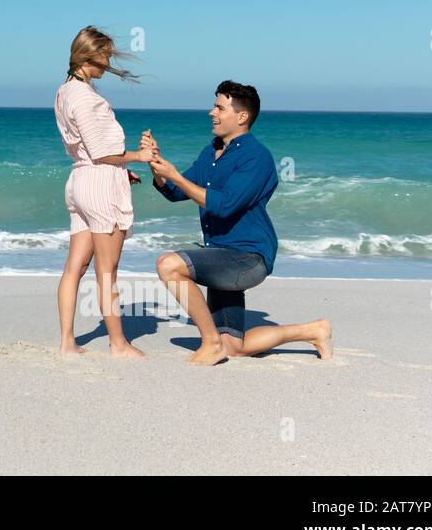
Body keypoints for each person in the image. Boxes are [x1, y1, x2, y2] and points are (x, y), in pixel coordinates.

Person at [143, 81, 333, 365]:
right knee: (234, 346)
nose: (211, 112)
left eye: (219, 107)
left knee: (168, 264)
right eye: (214, 106)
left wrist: (176, 175)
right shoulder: (211, 153)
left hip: (247, 257)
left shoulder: (257, 157)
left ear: (242, 117)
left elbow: (224, 204)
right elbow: (175, 192)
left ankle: (210, 344)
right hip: (219, 254)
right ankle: (313, 330)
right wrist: (158, 168)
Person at [54, 26, 154, 359]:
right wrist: (138, 157)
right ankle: (118, 344)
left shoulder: (65, 92)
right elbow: (98, 151)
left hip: (81, 181)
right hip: (97, 183)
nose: (109, 61)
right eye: (105, 54)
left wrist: (121, 169)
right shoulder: (83, 96)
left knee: (75, 268)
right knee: (106, 271)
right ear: (89, 54)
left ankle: (68, 342)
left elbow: (86, 151)